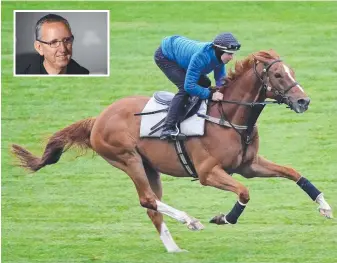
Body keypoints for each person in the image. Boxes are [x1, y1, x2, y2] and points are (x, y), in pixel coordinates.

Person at [154, 32, 241, 140]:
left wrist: (224, 91)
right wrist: (210, 95)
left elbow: (220, 80)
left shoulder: (219, 58)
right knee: (185, 90)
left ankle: (190, 107)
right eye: (230, 54)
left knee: (205, 83)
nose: (232, 57)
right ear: (219, 51)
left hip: (181, 54)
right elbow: (189, 86)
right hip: (165, 56)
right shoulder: (201, 57)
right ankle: (168, 128)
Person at [17, 14, 89, 75]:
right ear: (39, 47)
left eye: (67, 40)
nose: (63, 49)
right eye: (53, 42)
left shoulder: (83, 75)